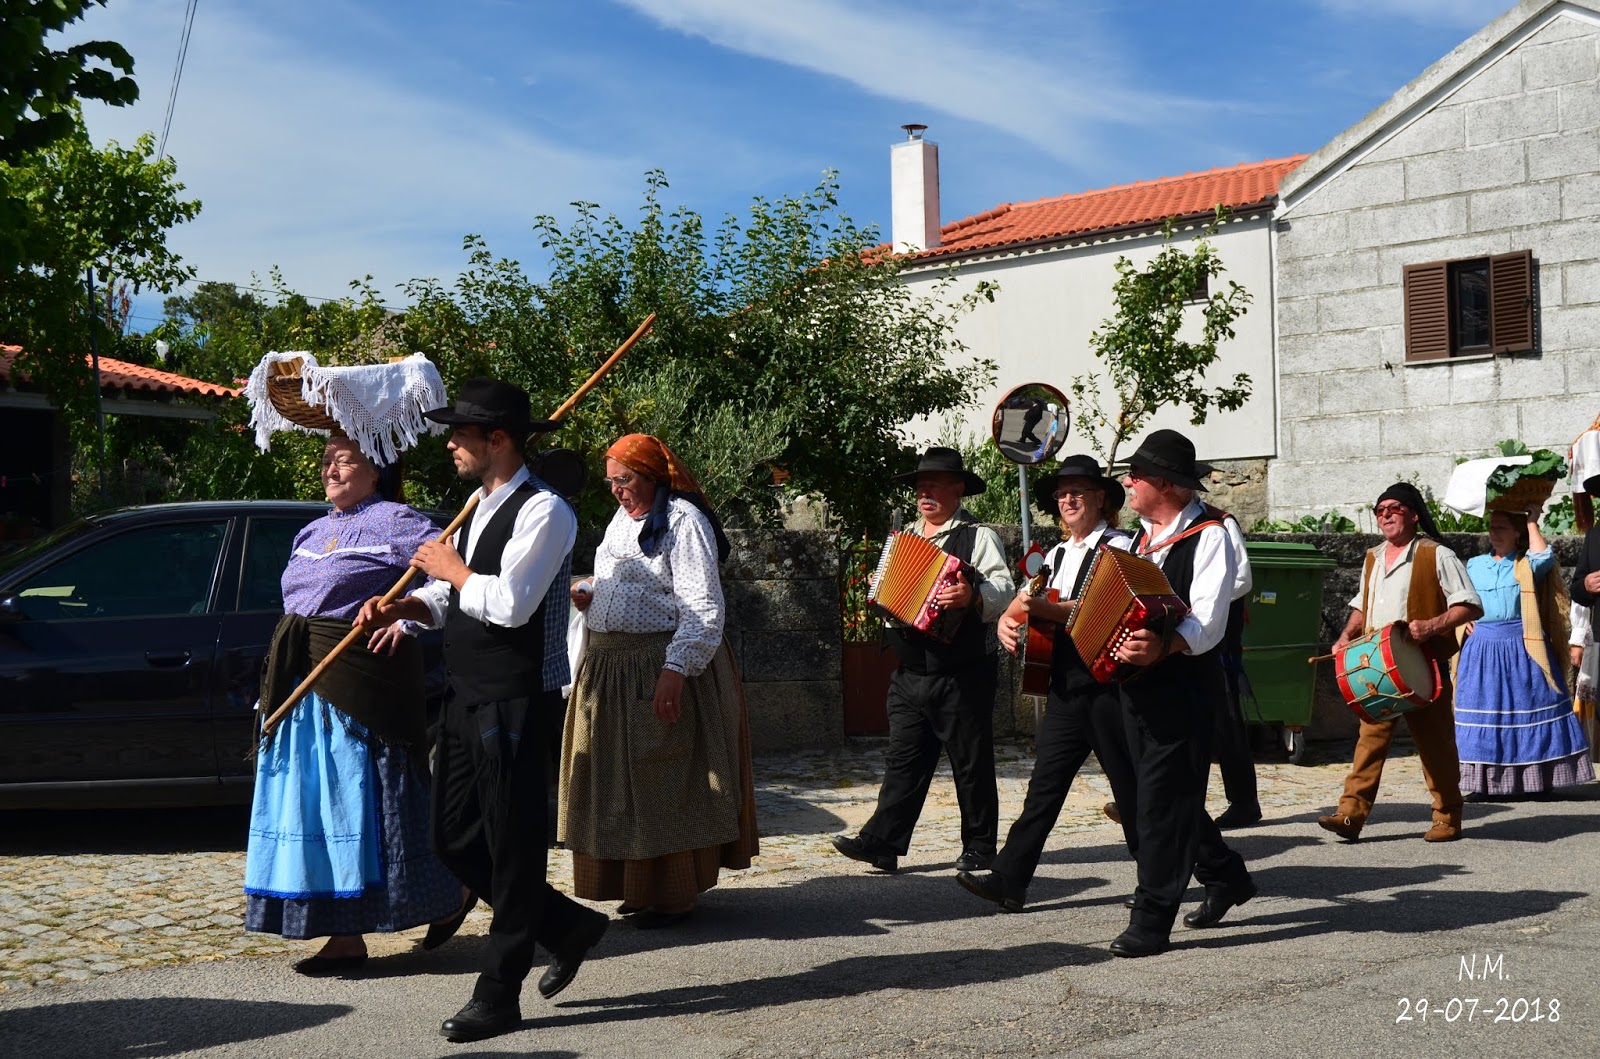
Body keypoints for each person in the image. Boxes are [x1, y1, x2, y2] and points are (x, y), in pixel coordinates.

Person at [360, 378, 607, 1044]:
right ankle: (566, 926)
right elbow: (452, 600)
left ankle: (499, 993)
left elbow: (511, 604)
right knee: (453, 840)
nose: (450, 445)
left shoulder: (547, 511)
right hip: (466, 695)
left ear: (497, 439)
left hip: (518, 698)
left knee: (513, 849)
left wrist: (453, 569)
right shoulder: (475, 505)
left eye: (460, 435)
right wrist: (410, 606)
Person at [244, 438, 463, 975]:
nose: (331, 470)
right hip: (303, 683)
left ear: (376, 471)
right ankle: (343, 936)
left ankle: (450, 893)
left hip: (360, 684)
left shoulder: (398, 521)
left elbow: (452, 576)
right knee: (314, 805)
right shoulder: (310, 530)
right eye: (327, 461)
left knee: (359, 802)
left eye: (344, 460)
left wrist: (406, 618)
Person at [560, 433, 759, 929]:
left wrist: (676, 669)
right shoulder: (620, 520)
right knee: (616, 784)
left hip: (658, 664)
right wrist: (591, 592)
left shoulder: (683, 521)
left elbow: (702, 605)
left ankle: (673, 894)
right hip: (609, 669)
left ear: (652, 476)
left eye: (625, 480)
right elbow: (633, 585)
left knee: (660, 780)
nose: (617, 490)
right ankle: (638, 885)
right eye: (611, 482)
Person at [956, 455, 1139, 912]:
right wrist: (1006, 621)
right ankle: (1008, 879)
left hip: (1109, 685)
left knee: (1134, 790)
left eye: (1078, 492)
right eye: (1062, 493)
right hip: (1065, 685)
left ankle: (1197, 874)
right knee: (1043, 789)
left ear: (1101, 499)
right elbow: (1024, 602)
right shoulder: (1055, 554)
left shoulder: (1122, 547)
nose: (1068, 499)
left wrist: (1043, 610)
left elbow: (1104, 606)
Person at [1102, 429, 1255, 958]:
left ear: (1164, 484)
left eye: (1135, 476)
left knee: (1160, 807)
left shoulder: (1211, 535)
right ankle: (1227, 876)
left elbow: (1209, 623)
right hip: (1135, 689)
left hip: (1186, 688)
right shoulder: (1132, 542)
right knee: (1158, 798)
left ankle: (1152, 917)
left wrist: (1164, 645)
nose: (1127, 484)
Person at [833, 447, 1015, 873]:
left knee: (970, 761)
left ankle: (980, 847)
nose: (925, 493)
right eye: (920, 486)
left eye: (935, 485)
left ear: (958, 489)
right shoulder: (904, 537)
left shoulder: (978, 536)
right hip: (911, 670)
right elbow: (889, 590)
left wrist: (973, 595)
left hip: (962, 669)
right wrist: (880, 587)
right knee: (904, 758)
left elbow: (1005, 588)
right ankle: (882, 843)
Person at [1318, 483, 1481, 844]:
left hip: (1423, 666)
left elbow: (1470, 605)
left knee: (1435, 745)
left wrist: (1432, 626)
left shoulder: (1437, 555)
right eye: (1380, 510)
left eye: (1394, 508)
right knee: (1369, 742)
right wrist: (1346, 636)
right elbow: (1362, 605)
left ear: (1414, 515)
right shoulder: (1373, 557)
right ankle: (1350, 815)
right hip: (1377, 667)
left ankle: (1448, 816)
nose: (1386, 515)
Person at [1455, 505, 1593, 796]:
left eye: (1501, 527)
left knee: (1529, 707)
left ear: (1516, 534)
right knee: (1486, 712)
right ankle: (1484, 784)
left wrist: (1531, 521)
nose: (1493, 532)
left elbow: (1543, 556)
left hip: (1522, 645)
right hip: (1483, 648)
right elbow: (1459, 595)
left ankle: (1537, 780)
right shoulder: (1475, 564)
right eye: (1491, 527)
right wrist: (1463, 616)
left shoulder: (1525, 564)